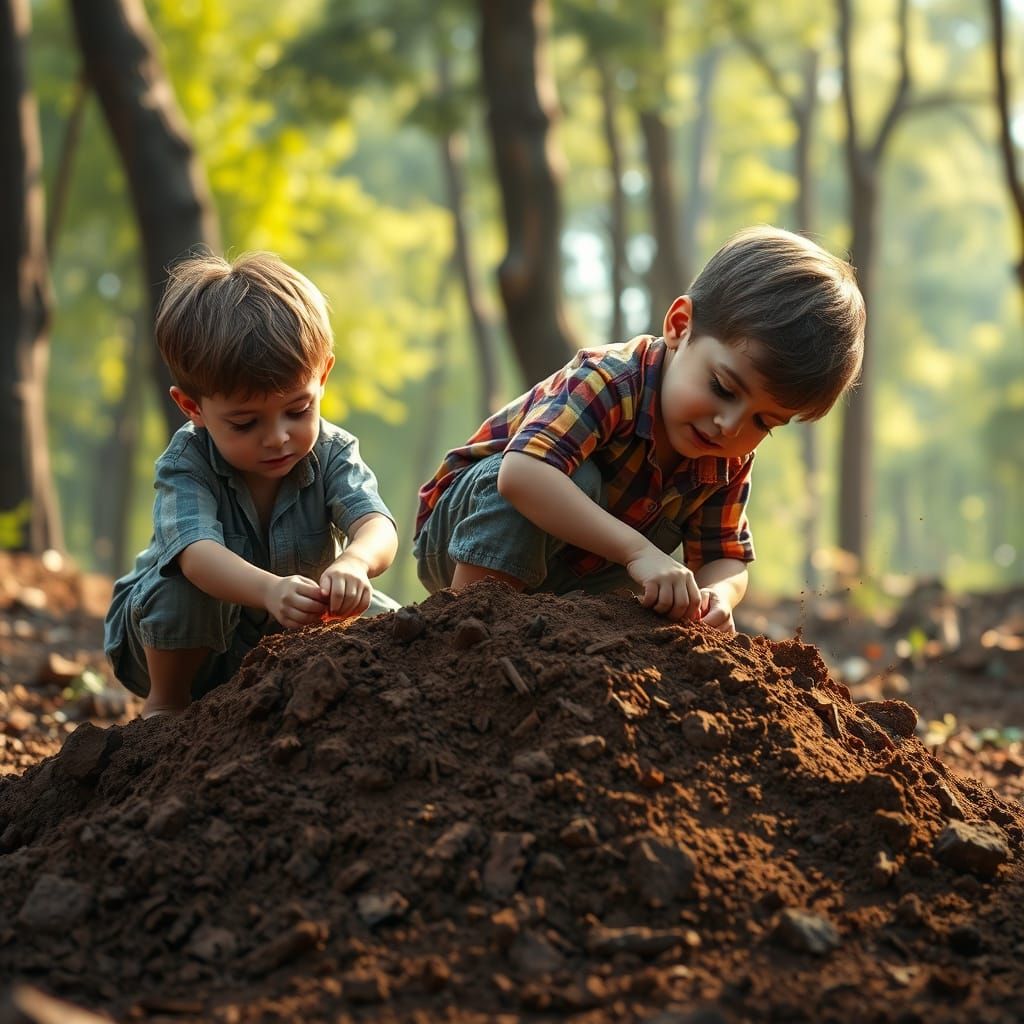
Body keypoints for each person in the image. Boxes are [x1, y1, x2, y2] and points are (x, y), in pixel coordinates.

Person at [414, 226, 865, 633]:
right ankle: (469, 624)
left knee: (662, 594)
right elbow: (521, 475)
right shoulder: (609, 380)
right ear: (679, 326)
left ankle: (541, 637)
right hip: (464, 533)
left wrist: (718, 597)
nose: (730, 425)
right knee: (577, 478)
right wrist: (637, 552)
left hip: (577, 573)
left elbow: (724, 555)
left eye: (764, 421)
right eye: (722, 388)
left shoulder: (725, 454)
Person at [104, 252, 399, 717]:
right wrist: (268, 591)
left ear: (322, 376)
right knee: (180, 590)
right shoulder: (187, 463)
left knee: (394, 624)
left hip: (288, 631)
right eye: (245, 423)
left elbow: (376, 523)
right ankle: (166, 706)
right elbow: (197, 558)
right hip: (175, 646)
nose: (278, 436)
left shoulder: (334, 451)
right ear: (192, 408)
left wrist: (356, 563)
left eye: (298, 411)